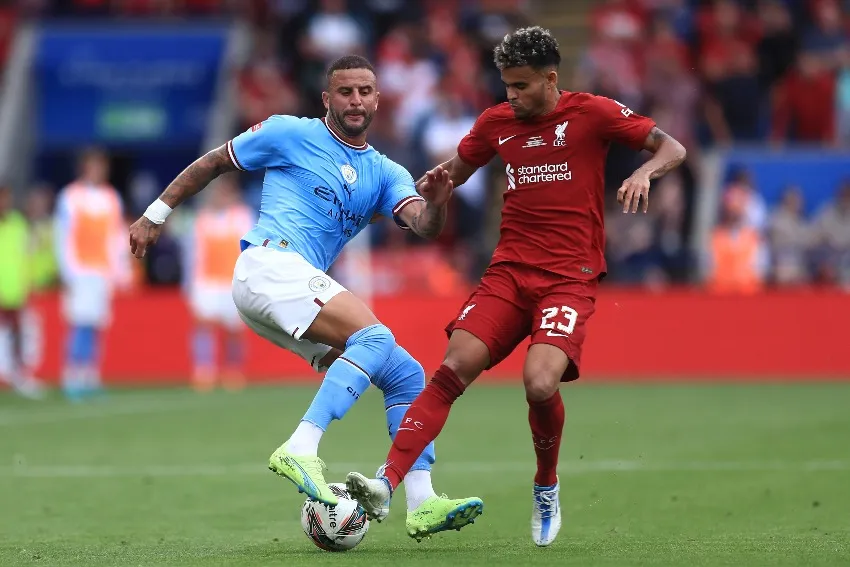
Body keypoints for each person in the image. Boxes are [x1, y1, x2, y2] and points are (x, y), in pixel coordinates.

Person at [345, 27, 687, 547]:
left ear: (551, 79)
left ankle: (545, 484)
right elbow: (450, 176)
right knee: (452, 367)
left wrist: (646, 172)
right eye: (506, 84)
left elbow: (673, 147)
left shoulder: (592, 112)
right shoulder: (495, 123)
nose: (511, 95)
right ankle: (385, 485)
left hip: (568, 278)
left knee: (539, 383)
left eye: (522, 86)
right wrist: (436, 196)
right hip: (508, 272)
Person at [128, 55, 483, 541]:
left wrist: (440, 204)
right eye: (345, 92)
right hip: (269, 265)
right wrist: (154, 215)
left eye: (364, 92)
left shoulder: (385, 172)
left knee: (406, 374)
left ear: (378, 99)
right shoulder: (288, 132)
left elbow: (422, 223)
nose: (355, 100)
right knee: (374, 337)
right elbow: (213, 162)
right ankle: (302, 444)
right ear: (327, 99)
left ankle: (420, 501)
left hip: (286, 287)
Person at [54, 149, 128, 400]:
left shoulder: (111, 198)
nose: (99, 170)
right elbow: (62, 236)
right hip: (80, 270)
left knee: (96, 324)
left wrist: (119, 271)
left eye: (102, 166)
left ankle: (91, 376)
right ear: (84, 168)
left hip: (101, 271)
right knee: (79, 323)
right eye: (95, 165)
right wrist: (67, 271)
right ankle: (72, 376)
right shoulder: (70, 197)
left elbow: (116, 237)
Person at [183, 174, 254, 391]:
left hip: (232, 281)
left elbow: (250, 251)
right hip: (207, 281)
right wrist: (190, 282)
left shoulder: (242, 218)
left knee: (234, 329)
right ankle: (204, 370)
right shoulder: (203, 220)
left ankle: (233, 371)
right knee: (203, 325)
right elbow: (193, 254)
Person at [0, 184, 43, 398]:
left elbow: (26, 256)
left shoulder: (18, 223)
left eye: (6, 198)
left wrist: (27, 282)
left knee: (17, 335)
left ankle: (19, 376)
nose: (4, 203)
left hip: (14, 289)